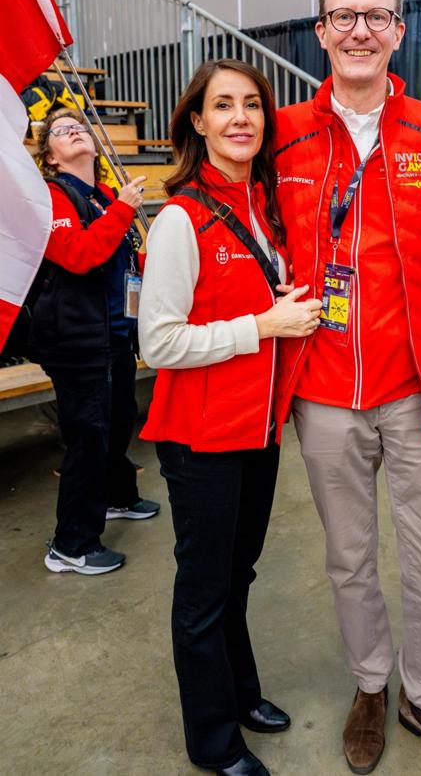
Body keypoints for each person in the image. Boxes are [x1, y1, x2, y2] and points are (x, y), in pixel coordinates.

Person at [273, 0, 421, 776]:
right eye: (343, 16)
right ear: (322, 30)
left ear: (399, 31)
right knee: (349, 557)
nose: (359, 29)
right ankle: (371, 683)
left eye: (376, 15)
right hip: (324, 393)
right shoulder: (287, 134)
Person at [138, 59, 322, 776]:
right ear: (197, 121)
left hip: (255, 431)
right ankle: (213, 743)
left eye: (252, 104)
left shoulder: (266, 208)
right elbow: (160, 344)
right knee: (205, 589)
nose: (240, 117)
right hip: (200, 438)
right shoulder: (183, 217)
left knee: (238, 575)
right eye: (223, 106)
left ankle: (241, 693)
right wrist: (264, 325)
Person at [31, 107, 160, 577]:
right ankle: (71, 544)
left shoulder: (106, 194)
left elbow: (122, 258)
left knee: (119, 418)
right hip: (78, 340)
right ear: (50, 155)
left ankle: (117, 496)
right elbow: (80, 255)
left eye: (81, 127)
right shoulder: (50, 196)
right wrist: (125, 207)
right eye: (63, 130)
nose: (76, 132)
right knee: (88, 437)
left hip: (116, 330)